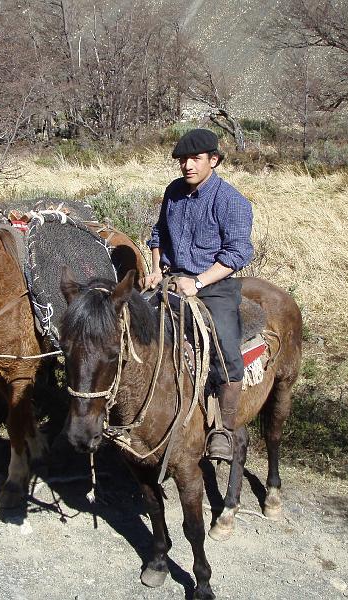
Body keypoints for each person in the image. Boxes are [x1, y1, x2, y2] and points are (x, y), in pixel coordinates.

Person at [143, 128, 254, 462]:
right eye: (182, 160)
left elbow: (237, 253)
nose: (187, 166)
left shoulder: (231, 200)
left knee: (224, 345)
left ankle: (224, 426)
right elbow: (157, 232)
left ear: (213, 160)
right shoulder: (174, 192)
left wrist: (199, 282)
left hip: (215, 285)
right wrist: (155, 268)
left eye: (195, 159)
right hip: (171, 280)